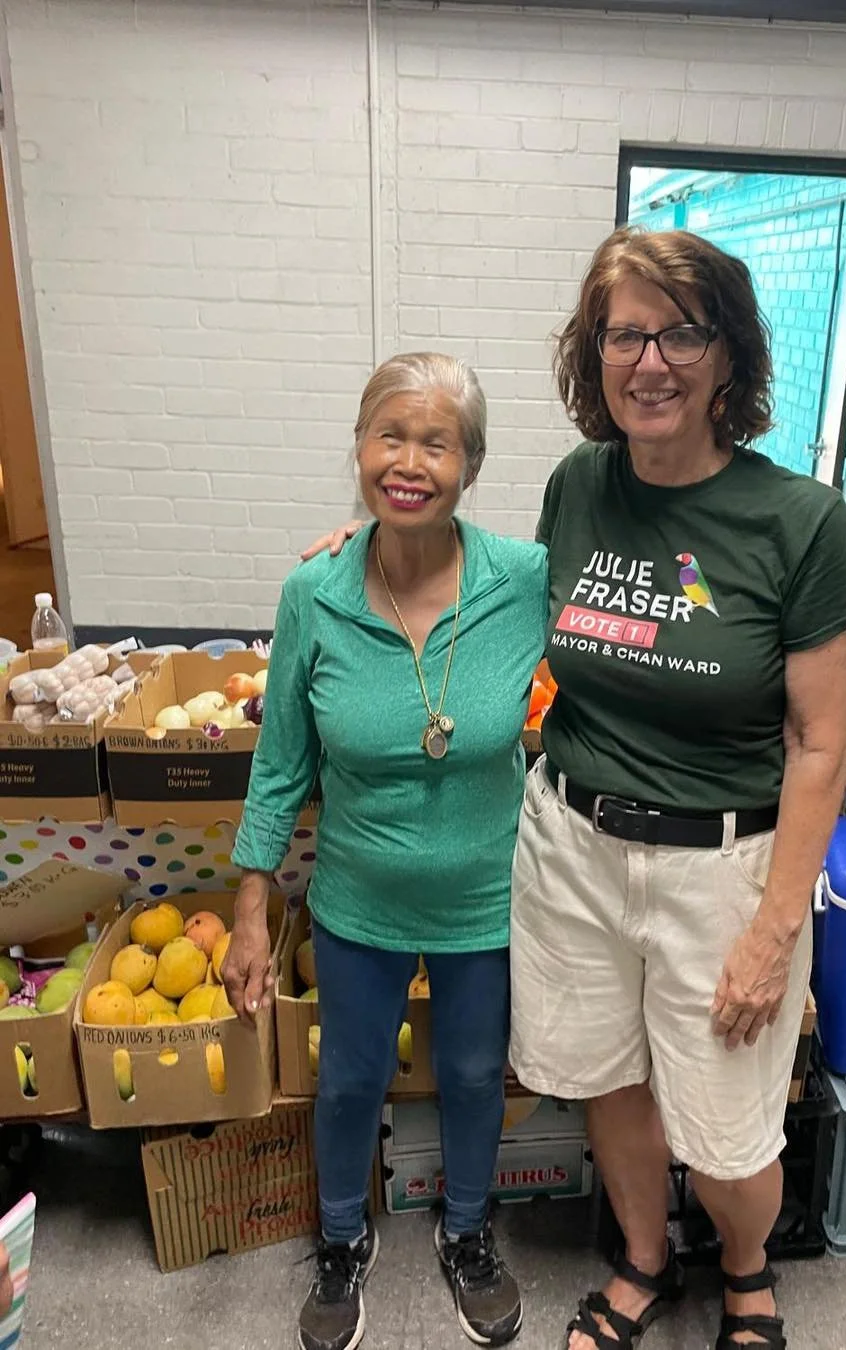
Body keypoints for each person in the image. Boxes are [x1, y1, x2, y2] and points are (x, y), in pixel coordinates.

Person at [305, 227, 846, 1350]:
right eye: (625, 334)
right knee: (607, 1082)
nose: (650, 361)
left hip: (726, 866)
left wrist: (774, 930)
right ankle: (643, 1262)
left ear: (728, 356)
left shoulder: (797, 521)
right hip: (571, 845)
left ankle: (749, 1273)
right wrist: (375, 549)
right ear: (594, 353)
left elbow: (819, 744)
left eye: (681, 332)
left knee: (726, 1132)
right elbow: (491, 580)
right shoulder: (579, 487)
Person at [224, 352, 548, 1350]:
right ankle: (337, 1240)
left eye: (436, 443)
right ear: (360, 449)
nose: (409, 461)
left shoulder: (525, 581)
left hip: (484, 898)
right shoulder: (313, 592)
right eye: (390, 436)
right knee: (351, 1078)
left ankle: (465, 1232)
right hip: (356, 897)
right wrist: (248, 912)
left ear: (472, 464)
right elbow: (281, 766)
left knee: (469, 1071)